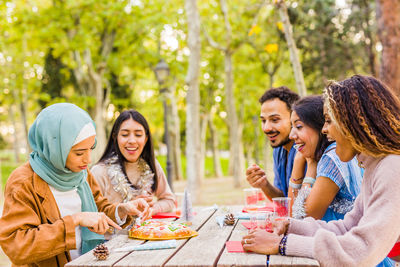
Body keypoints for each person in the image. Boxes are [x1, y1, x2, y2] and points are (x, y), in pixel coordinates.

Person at [242, 75, 400, 266]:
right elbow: (348, 227)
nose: (324, 130)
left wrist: (282, 244)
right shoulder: (374, 166)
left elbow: (362, 250)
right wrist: (291, 226)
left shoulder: (392, 167)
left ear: (353, 123)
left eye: (328, 121)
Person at [0, 103, 150, 267]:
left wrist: (122, 209)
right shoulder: (23, 182)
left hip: (89, 261)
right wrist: (75, 220)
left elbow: (98, 208)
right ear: (55, 148)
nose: (88, 160)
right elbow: (17, 246)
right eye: (79, 153)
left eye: (90, 149)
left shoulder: (82, 173)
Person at [288, 96, 363, 221]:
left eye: (299, 127)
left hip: (338, 238)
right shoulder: (336, 152)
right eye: (292, 127)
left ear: (319, 126)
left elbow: (300, 219)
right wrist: (298, 161)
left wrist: (310, 166)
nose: (292, 136)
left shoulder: (333, 157)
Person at [91, 109, 175, 216]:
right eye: (125, 135)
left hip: (146, 231)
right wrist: (125, 208)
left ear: (146, 139)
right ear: (115, 137)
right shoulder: (99, 172)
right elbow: (91, 215)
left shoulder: (152, 166)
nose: (132, 141)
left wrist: (151, 209)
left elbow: (169, 200)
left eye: (138, 135)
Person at [246, 87, 300, 200]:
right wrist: (264, 184)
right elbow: (284, 199)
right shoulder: (278, 150)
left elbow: (301, 207)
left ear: (294, 118)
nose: (266, 128)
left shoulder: (306, 150)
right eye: (263, 120)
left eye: (275, 120)